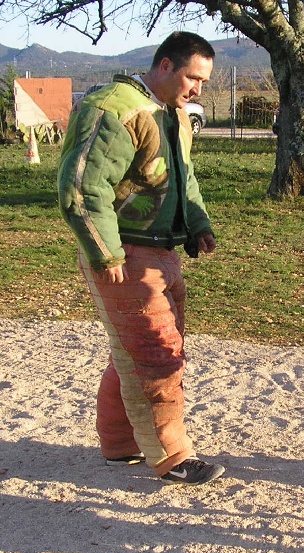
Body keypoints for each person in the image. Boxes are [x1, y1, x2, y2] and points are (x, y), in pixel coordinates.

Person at [58, 32, 224, 486]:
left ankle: (120, 442)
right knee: (154, 354)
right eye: (193, 77)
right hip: (125, 252)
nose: (198, 90)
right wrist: (106, 251)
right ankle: (171, 457)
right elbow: (81, 188)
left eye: (204, 81)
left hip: (161, 250)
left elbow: (183, 178)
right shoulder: (115, 108)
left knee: (134, 352)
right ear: (165, 66)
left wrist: (198, 224)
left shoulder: (172, 114)